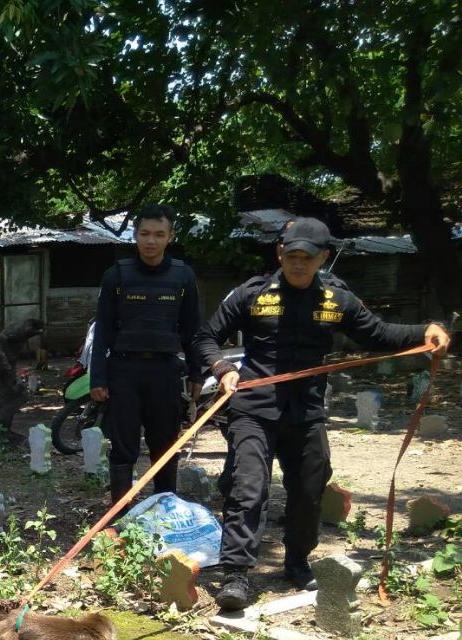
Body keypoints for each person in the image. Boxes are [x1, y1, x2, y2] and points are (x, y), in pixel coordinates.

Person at [193, 217, 450, 611]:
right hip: (253, 409)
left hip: (307, 411)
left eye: (307, 258)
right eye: (291, 255)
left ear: (324, 258)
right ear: (280, 252)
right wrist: (224, 370)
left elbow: (378, 334)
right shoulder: (252, 294)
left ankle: (296, 561)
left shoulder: (337, 299)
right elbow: (206, 337)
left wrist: (425, 331)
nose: (298, 264)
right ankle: (236, 574)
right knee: (248, 489)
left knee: (310, 490)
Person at [90, 203, 203, 505]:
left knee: (164, 446)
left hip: (166, 372)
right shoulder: (116, 276)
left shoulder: (183, 276)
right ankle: (119, 515)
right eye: (144, 234)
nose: (150, 241)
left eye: (158, 234)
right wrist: (97, 377)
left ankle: (166, 509)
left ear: (170, 236)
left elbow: (193, 330)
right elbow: (102, 330)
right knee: (123, 447)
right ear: (135, 235)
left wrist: (196, 373)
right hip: (124, 372)